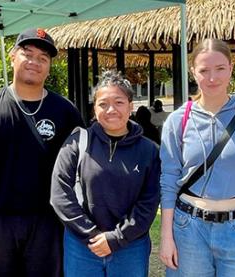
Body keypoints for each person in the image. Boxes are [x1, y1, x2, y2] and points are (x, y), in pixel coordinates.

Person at [0, 28, 83, 277]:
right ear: (13, 57)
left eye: (43, 58)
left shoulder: (65, 111)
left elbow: (81, 168)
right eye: (28, 54)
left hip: (47, 224)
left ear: (49, 66)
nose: (35, 62)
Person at [159, 38, 235, 277]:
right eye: (204, 70)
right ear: (193, 72)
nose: (212, 78)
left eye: (220, 68)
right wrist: (166, 235)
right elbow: (169, 180)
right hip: (188, 228)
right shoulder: (177, 121)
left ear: (231, 68)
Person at [50, 71, 160, 277]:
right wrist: (92, 235)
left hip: (131, 246)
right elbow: (60, 194)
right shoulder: (78, 142)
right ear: (94, 109)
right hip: (83, 245)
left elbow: (149, 202)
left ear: (131, 106)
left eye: (119, 102)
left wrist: (116, 238)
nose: (111, 110)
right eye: (103, 104)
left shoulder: (149, 151)